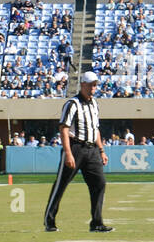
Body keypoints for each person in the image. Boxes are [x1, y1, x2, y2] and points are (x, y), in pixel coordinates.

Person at [43, 71, 112, 232]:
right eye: (91, 84)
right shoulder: (72, 104)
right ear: (83, 85)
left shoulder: (95, 104)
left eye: (95, 85)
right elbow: (64, 129)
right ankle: (49, 221)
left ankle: (96, 223)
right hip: (75, 148)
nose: (94, 88)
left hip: (92, 149)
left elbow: (96, 129)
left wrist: (101, 150)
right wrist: (68, 152)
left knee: (99, 183)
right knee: (61, 185)